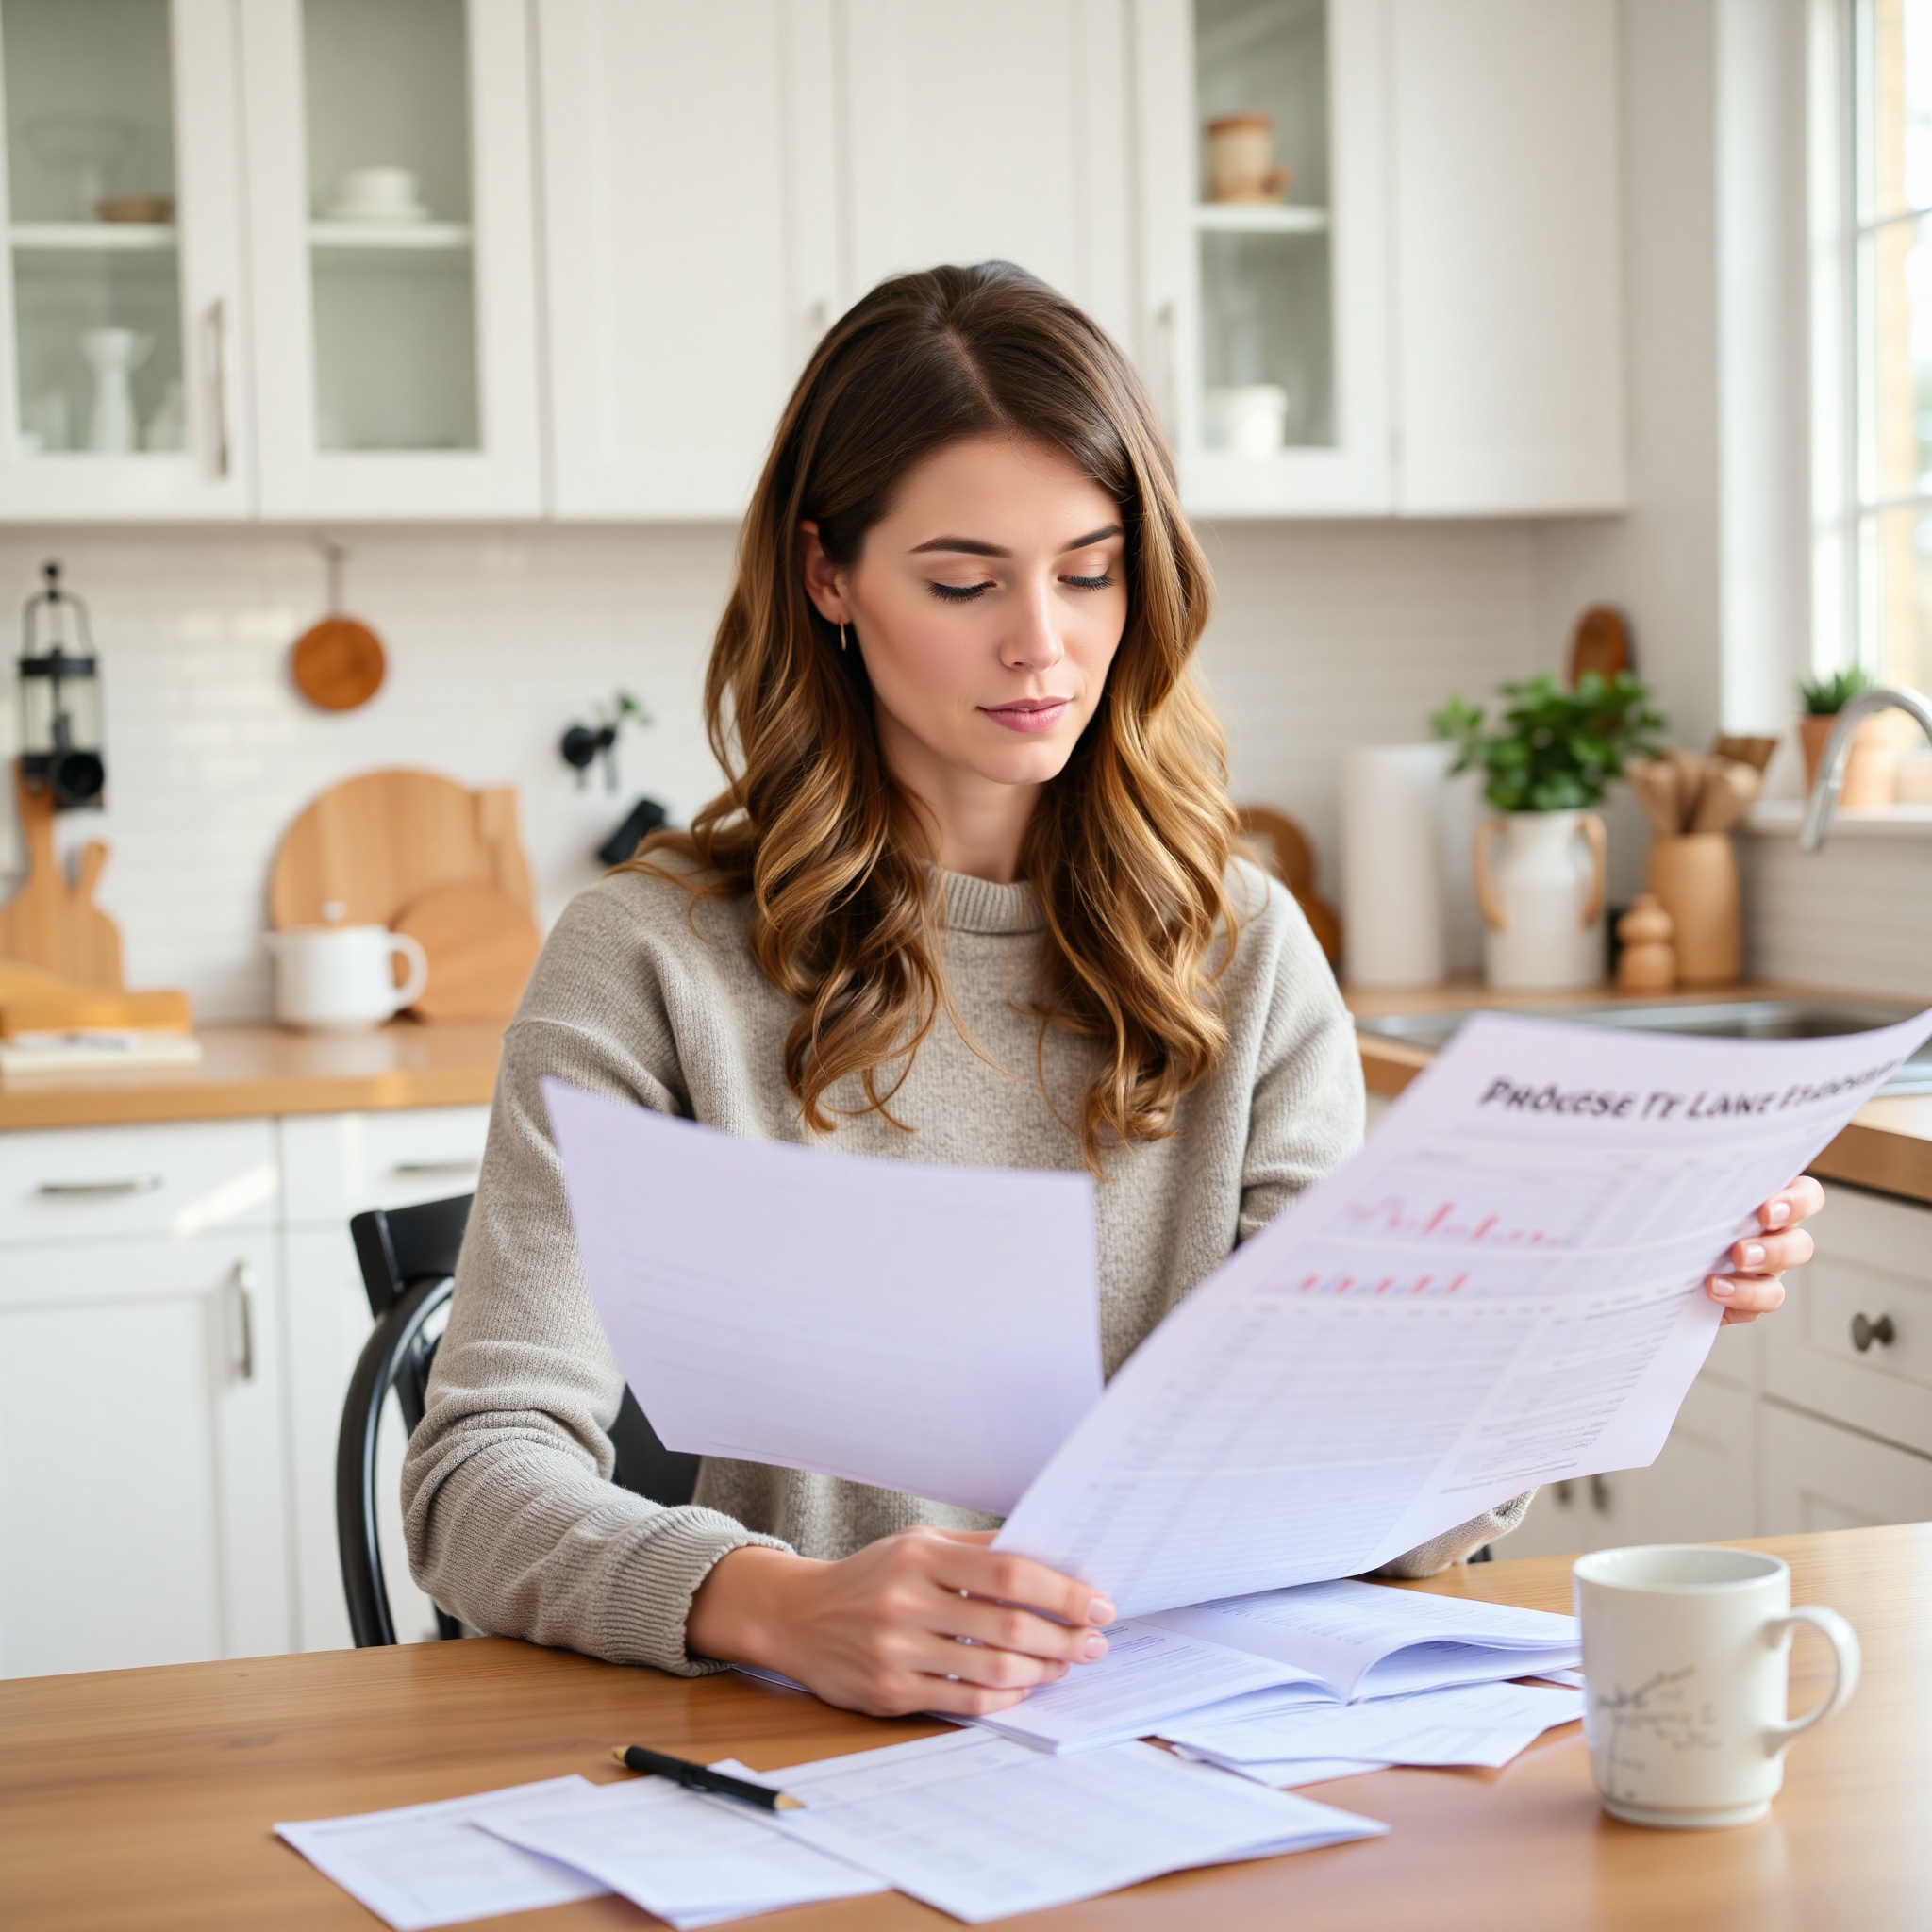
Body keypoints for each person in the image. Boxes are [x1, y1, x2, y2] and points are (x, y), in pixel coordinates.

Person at [403, 262, 1819, 1720]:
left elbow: (1354, 1500)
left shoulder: (1244, 949)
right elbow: (473, 1483)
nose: (1045, 641)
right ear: (827, 576)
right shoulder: (650, 962)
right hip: (814, 1763)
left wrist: (1602, 1305)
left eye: (1091, 570)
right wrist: (780, 1606)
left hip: (1198, 1751)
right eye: (965, 582)